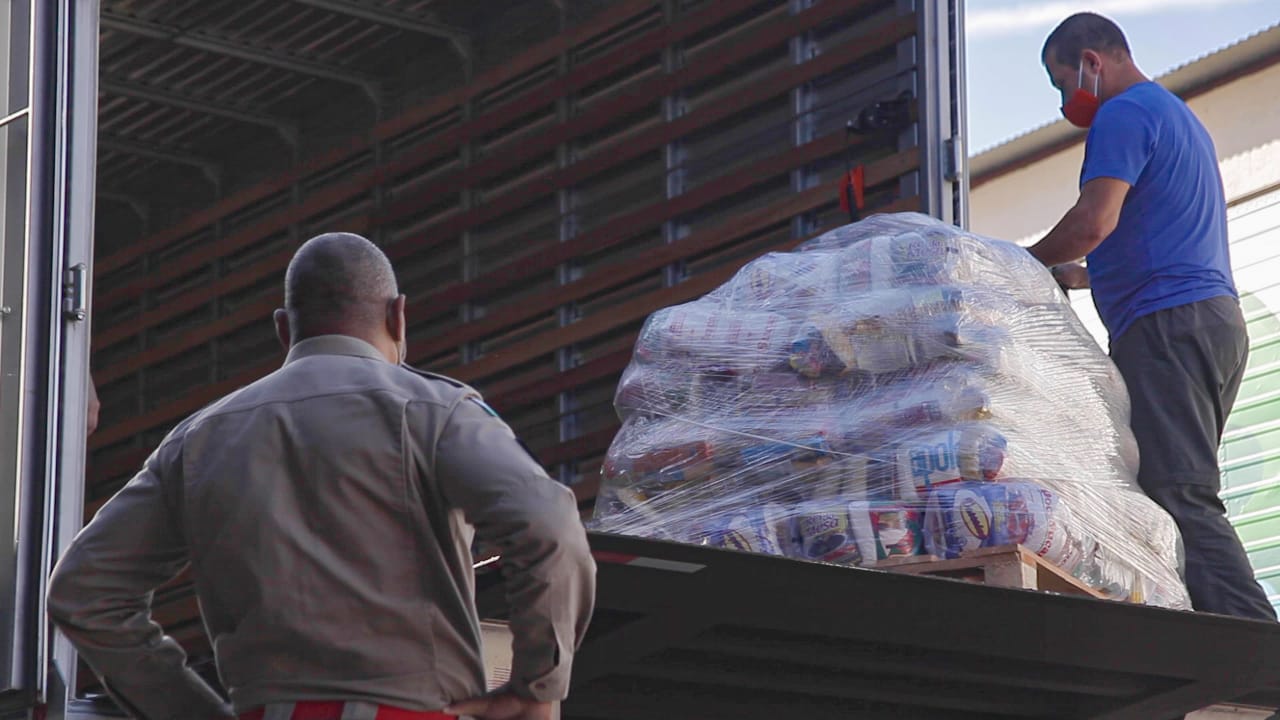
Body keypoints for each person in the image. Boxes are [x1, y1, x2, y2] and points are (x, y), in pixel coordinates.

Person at [48, 232, 597, 720]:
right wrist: (537, 687)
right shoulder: (434, 412)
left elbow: (84, 591)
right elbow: (547, 524)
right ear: (398, 317)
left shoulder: (198, 439)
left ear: (284, 329)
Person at [1027, 13, 1275, 621]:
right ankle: (1208, 641)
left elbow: (1093, 223)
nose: (1066, 101)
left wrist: (1016, 263)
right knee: (1171, 493)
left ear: (1092, 61)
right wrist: (1076, 277)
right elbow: (1146, 238)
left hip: (1167, 327)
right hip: (1206, 324)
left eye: (1063, 85)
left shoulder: (1122, 113)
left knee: (1179, 493)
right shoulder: (1175, 117)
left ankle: (1261, 655)